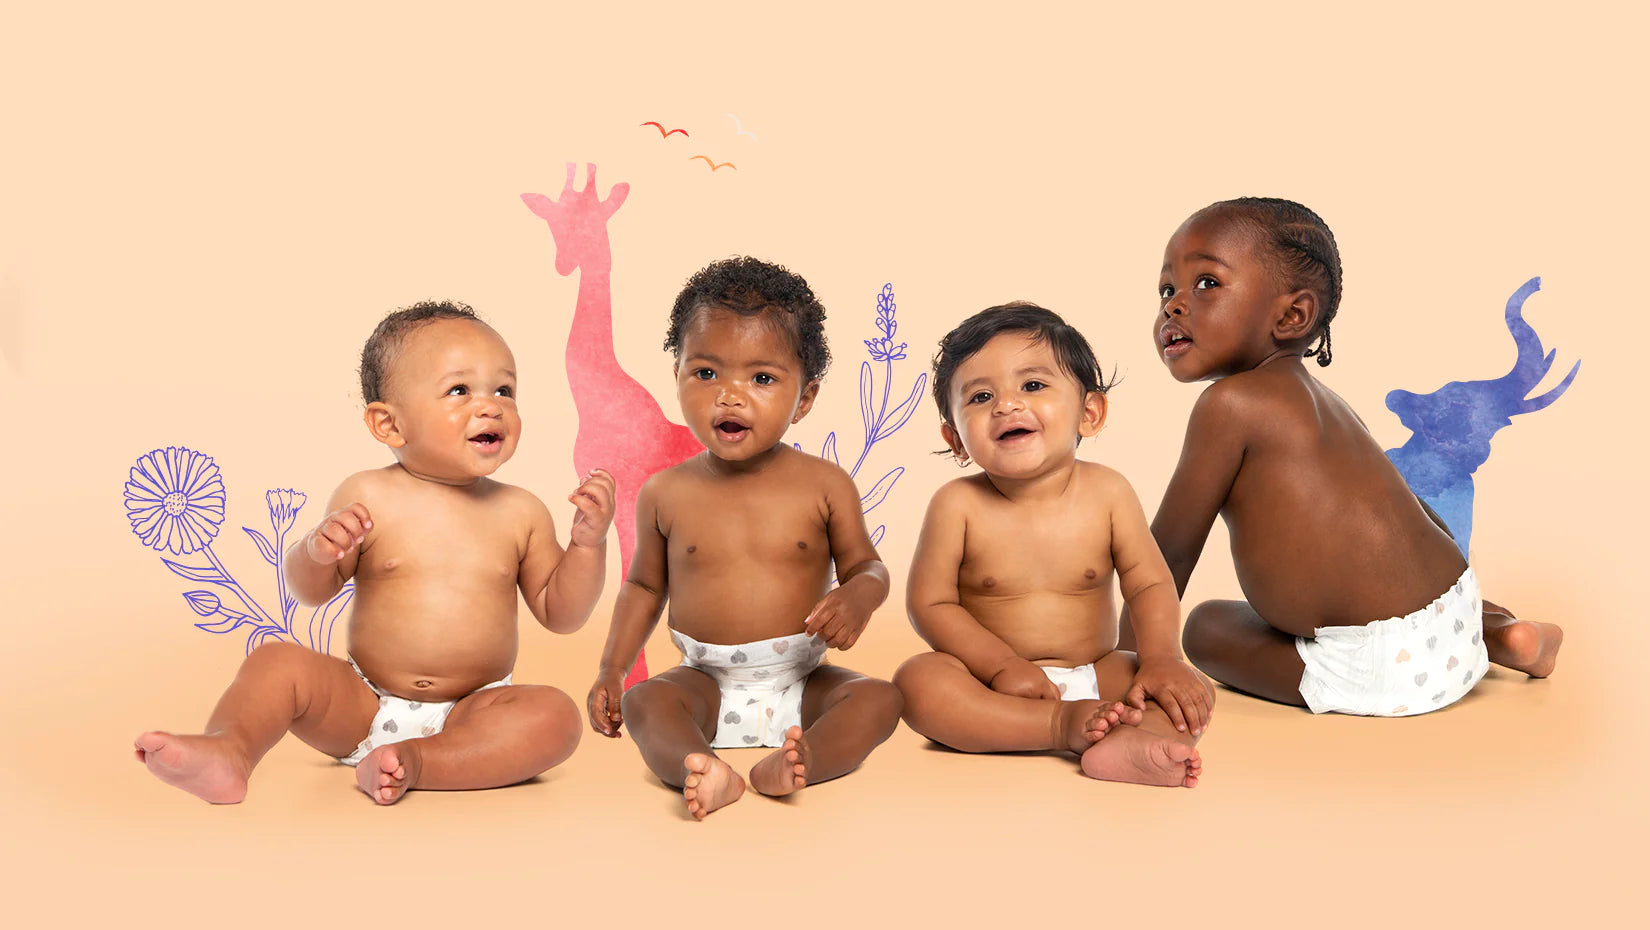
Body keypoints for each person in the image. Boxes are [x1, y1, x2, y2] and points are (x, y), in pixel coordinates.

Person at [135, 301, 614, 803]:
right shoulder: (368, 495)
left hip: (475, 712)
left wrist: (587, 544)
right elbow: (310, 592)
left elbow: (563, 614)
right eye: (459, 390)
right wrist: (316, 552)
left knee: (556, 717)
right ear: (389, 425)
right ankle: (228, 751)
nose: (490, 406)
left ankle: (418, 763)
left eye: (504, 390)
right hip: (361, 702)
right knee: (276, 663)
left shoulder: (522, 511)